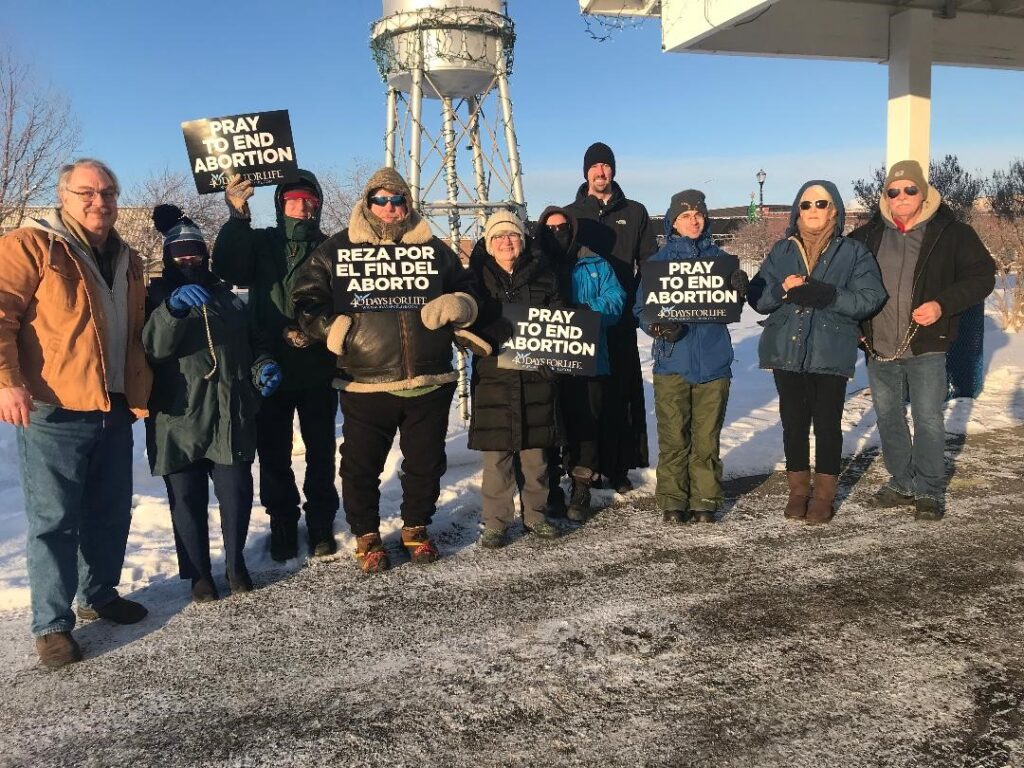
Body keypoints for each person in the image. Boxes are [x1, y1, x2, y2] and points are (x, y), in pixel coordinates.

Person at [0, 158, 153, 668]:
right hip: (54, 408)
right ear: (63, 197)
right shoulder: (33, 245)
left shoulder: (128, 257)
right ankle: (52, 624)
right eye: (86, 193)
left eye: (107, 193)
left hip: (114, 405)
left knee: (110, 510)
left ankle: (99, 594)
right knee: (54, 520)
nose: (98, 202)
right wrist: (8, 381)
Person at [292, 167, 481, 573]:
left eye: (398, 200)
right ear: (368, 203)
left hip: (429, 380)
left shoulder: (433, 250)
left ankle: (416, 527)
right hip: (365, 384)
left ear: (407, 205)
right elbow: (306, 298)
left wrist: (460, 305)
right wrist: (334, 329)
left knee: (425, 464)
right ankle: (366, 534)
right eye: (381, 200)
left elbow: (469, 287)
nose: (390, 207)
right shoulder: (337, 249)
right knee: (361, 467)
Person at [144, 205, 282, 603]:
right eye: (179, 252)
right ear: (168, 255)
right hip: (178, 415)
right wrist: (171, 311)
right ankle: (199, 574)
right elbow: (151, 349)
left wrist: (263, 364)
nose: (189, 259)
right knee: (186, 499)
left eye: (196, 251)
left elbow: (252, 341)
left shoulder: (227, 296)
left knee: (236, 492)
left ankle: (235, 563)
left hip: (229, 409)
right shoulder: (153, 296)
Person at [848, 160, 995, 520]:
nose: (901, 196)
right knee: (888, 416)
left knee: (928, 416)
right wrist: (854, 327)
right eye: (893, 191)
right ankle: (902, 481)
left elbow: (982, 277)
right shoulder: (865, 237)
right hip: (879, 346)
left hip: (927, 343)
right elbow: (844, 287)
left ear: (924, 193)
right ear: (885, 196)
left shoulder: (952, 233)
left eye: (910, 189)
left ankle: (929, 488)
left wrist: (942, 304)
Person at [212, 170, 339, 561]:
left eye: (308, 200)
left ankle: (320, 521)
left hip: (319, 366)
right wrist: (237, 215)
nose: (301, 206)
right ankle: (282, 520)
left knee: (321, 450)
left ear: (318, 204)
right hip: (269, 368)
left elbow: (346, 300)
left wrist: (318, 331)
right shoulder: (262, 242)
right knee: (273, 452)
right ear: (281, 204)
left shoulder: (330, 247)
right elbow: (228, 267)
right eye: (293, 199)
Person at [748, 180, 886, 524]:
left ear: (834, 210)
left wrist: (828, 295)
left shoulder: (852, 252)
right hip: (786, 349)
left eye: (821, 204)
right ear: (797, 210)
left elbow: (870, 297)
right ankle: (798, 491)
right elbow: (759, 299)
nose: (813, 210)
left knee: (827, 424)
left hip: (830, 350)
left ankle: (823, 496)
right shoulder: (782, 251)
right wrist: (781, 289)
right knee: (793, 424)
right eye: (806, 204)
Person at [634, 190, 747, 525]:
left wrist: (740, 290)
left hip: (714, 362)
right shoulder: (657, 263)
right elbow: (641, 310)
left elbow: (731, 307)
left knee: (707, 438)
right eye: (685, 216)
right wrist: (656, 327)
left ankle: (705, 499)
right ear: (673, 222)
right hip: (672, 362)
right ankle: (673, 499)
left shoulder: (721, 260)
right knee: (674, 436)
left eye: (698, 214)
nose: (693, 221)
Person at [565, 142, 658, 493]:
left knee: (620, 395)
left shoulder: (634, 212)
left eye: (606, 165)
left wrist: (636, 302)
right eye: (594, 166)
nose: (600, 172)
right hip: (580, 322)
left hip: (619, 321)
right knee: (586, 398)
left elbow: (649, 263)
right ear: (586, 172)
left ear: (613, 170)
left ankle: (618, 466)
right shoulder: (571, 213)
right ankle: (584, 467)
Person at [466, 211, 561, 548]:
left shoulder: (544, 274)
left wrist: (555, 355)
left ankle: (536, 515)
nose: (506, 242)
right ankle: (496, 521)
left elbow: (560, 316)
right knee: (497, 457)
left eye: (513, 235)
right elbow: (465, 323)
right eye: (499, 236)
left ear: (522, 239)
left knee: (536, 455)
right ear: (489, 242)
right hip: (493, 376)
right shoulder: (474, 279)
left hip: (536, 375)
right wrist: (486, 333)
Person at [534, 206, 625, 521]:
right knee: (549, 427)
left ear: (572, 231)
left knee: (585, 427)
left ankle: (581, 488)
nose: (557, 234)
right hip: (546, 360)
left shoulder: (595, 263)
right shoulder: (533, 264)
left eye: (563, 228)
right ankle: (552, 490)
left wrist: (587, 310)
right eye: (550, 229)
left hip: (589, 359)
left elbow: (615, 301)